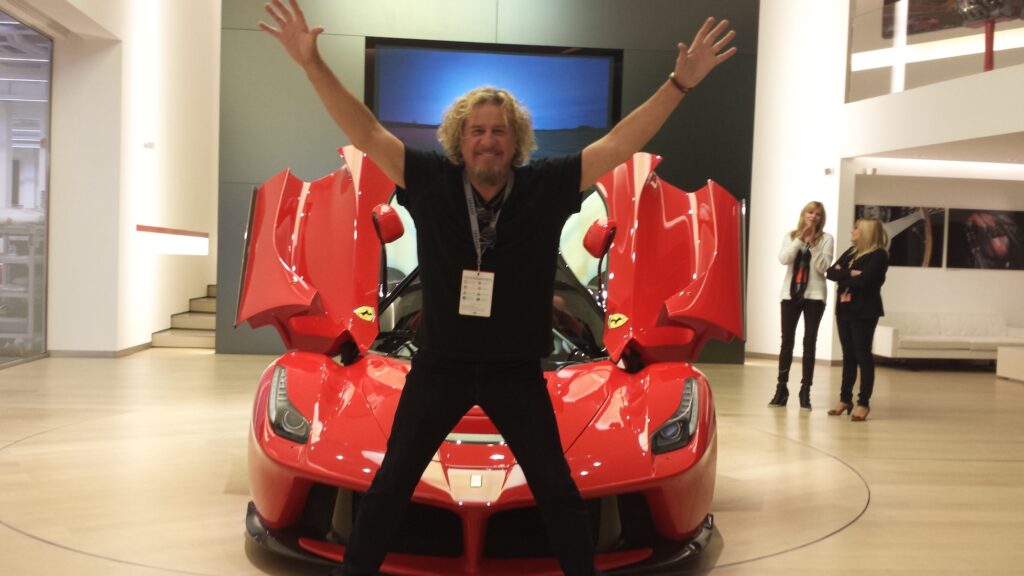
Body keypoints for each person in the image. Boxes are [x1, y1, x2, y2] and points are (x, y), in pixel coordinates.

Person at [258, 1, 736, 574]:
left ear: (517, 142)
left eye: (500, 132)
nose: (489, 140)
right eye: (478, 130)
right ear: (461, 138)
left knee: (556, 490)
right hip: (439, 366)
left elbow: (619, 144)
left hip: (515, 369)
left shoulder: (546, 186)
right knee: (389, 486)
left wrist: (680, 83)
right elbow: (364, 128)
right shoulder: (430, 180)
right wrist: (312, 65)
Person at [769, 202, 834, 410]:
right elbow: (784, 258)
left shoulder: (826, 239)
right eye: (810, 212)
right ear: (803, 214)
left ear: (821, 218)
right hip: (790, 294)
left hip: (814, 296)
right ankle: (781, 388)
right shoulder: (790, 236)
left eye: (817, 214)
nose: (813, 216)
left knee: (809, 343)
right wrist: (800, 239)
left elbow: (823, 267)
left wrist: (813, 244)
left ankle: (805, 390)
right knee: (786, 341)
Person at [825, 217, 889, 422]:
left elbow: (865, 281)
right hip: (844, 309)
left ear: (867, 232)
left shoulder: (878, 255)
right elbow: (829, 273)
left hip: (864, 311)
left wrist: (843, 275)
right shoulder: (851, 252)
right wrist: (851, 273)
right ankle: (845, 399)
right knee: (848, 356)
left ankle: (863, 403)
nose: (852, 232)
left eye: (856, 229)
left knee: (863, 356)